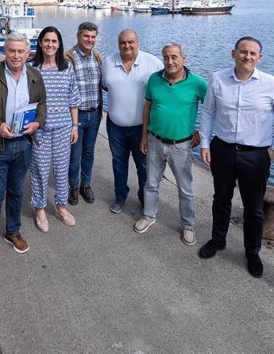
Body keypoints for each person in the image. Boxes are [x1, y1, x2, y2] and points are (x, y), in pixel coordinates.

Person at [198, 36, 274, 278]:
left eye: (252, 53)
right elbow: (208, 112)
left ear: (259, 58)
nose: (247, 57)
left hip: (256, 154)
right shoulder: (218, 79)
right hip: (223, 150)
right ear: (233, 54)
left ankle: (252, 251)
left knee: (253, 208)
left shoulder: (271, 84)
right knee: (221, 199)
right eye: (243, 52)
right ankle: (218, 240)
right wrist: (206, 143)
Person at [0, 32, 47, 276]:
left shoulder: (34, 75)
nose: (16, 55)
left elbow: (42, 104)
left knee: (16, 191)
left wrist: (37, 124)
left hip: (23, 143)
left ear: (28, 53)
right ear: (5, 50)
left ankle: (13, 231)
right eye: (11, 50)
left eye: (20, 51)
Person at [134, 43, 207, 244]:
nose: (170, 61)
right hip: (155, 141)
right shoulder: (154, 80)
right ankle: (149, 215)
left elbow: (211, 110)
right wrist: (144, 136)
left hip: (181, 146)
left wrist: (202, 132)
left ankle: (188, 225)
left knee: (185, 188)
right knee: (151, 183)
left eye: (174, 57)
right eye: (166, 57)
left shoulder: (198, 83)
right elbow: (147, 108)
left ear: (184, 58)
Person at [101, 29, 163, 214]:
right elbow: (105, 85)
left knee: (143, 166)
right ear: (118, 44)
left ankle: (145, 199)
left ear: (138, 42)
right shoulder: (108, 62)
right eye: (122, 43)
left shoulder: (153, 63)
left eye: (130, 42)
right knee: (118, 164)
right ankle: (120, 196)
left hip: (141, 128)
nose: (126, 46)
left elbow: (165, 90)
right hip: (115, 126)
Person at [29, 26, 80, 232]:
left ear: (59, 44)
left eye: (54, 41)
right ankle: (40, 208)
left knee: (61, 169)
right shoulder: (31, 68)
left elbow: (73, 99)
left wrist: (75, 126)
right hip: (38, 128)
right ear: (40, 43)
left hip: (62, 128)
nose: (50, 44)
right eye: (46, 40)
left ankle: (61, 206)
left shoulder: (66, 67)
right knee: (39, 169)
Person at [65, 22, 103, 205]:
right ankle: (73, 185)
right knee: (75, 153)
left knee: (89, 152)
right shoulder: (68, 57)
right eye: (86, 36)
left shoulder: (97, 56)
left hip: (94, 113)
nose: (90, 40)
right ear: (78, 36)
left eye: (93, 37)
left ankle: (85, 185)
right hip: (77, 115)